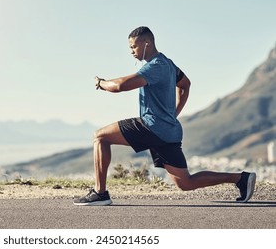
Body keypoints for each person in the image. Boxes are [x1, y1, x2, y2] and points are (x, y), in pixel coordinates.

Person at [73, 26, 256, 206]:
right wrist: (172, 114)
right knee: (186, 182)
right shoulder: (167, 64)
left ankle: (100, 193)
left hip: (151, 126)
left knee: (100, 136)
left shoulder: (156, 66)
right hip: (167, 131)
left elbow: (121, 85)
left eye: (133, 47)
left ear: (147, 43)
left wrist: (101, 83)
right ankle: (241, 179)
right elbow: (185, 84)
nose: (131, 51)